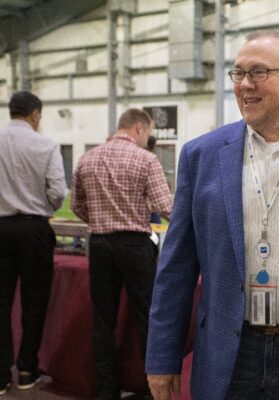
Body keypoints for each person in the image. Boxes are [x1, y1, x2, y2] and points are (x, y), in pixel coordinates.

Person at [145, 30, 279, 400]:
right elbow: (175, 268)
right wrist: (162, 358)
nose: (244, 85)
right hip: (229, 349)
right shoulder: (202, 155)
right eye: (238, 73)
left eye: (258, 72)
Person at [70, 108, 172, 400]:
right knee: (148, 318)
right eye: (149, 134)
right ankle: (153, 389)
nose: (147, 139)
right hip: (135, 245)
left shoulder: (87, 158)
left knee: (103, 319)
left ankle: (106, 389)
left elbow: (78, 205)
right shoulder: (146, 159)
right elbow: (166, 207)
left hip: (100, 244)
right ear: (139, 128)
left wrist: (101, 220)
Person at [0, 91, 67, 394]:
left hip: (0, 227)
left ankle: (0, 374)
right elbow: (56, 192)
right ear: (35, 114)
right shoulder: (46, 145)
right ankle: (27, 369)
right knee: (34, 302)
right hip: (34, 229)